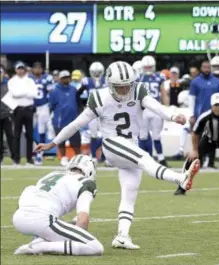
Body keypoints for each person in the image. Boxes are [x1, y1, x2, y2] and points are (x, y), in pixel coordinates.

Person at [35, 61, 200, 250]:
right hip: (112, 144)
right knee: (144, 158)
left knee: (129, 193)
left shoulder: (138, 90)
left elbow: (155, 106)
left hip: (131, 145)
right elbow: (76, 124)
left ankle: (122, 235)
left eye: (127, 85)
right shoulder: (99, 97)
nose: (123, 90)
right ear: (109, 84)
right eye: (119, 86)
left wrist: (172, 116)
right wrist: (53, 143)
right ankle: (180, 178)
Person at [12, 154, 103, 256]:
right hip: (43, 220)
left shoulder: (52, 174)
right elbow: (83, 220)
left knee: (57, 226)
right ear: (90, 170)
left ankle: (39, 240)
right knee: (95, 247)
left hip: (18, 217)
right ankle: (38, 247)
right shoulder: (86, 183)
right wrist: (76, 238)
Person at [137, 55, 169, 166]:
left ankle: (161, 158)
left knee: (156, 135)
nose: (148, 69)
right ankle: (143, 158)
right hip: (143, 109)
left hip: (156, 109)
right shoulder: (138, 78)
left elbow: (163, 93)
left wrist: (166, 108)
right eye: (146, 67)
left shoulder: (159, 77)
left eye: (150, 67)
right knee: (143, 135)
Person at [49, 70, 85, 166]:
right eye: (64, 78)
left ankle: (78, 158)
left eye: (67, 77)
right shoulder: (55, 91)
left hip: (73, 120)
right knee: (61, 141)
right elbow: (51, 106)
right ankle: (63, 158)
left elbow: (77, 103)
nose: (66, 79)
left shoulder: (73, 89)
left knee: (76, 141)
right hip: (60, 121)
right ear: (60, 79)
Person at [8, 61, 38, 166]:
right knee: (16, 135)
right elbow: (14, 94)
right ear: (16, 70)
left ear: (24, 69)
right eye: (18, 68)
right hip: (17, 109)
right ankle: (16, 159)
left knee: (29, 134)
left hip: (29, 109)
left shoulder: (30, 81)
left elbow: (34, 94)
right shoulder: (12, 81)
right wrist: (26, 92)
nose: (20, 70)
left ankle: (30, 159)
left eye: (22, 68)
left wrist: (22, 92)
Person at [29, 62, 54, 165]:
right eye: (35, 68)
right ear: (32, 69)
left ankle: (40, 155)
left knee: (41, 130)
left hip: (43, 106)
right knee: (28, 131)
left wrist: (50, 106)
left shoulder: (47, 78)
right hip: (31, 107)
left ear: (42, 69)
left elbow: (51, 92)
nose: (37, 70)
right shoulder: (29, 79)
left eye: (39, 68)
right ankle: (34, 151)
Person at [0, 68, 15, 163]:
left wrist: (11, 111)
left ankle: (14, 157)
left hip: (6, 114)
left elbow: (12, 99)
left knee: (10, 136)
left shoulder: (7, 85)